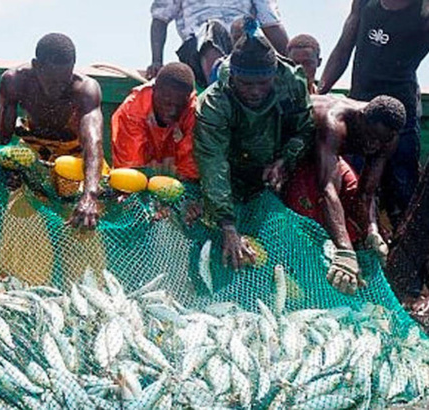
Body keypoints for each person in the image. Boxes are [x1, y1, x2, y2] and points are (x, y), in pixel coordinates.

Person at [194, 20, 315, 274]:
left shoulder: (292, 84)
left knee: (277, 257)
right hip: (230, 175)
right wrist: (227, 225)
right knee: (217, 256)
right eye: (246, 84)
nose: (255, 91)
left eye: (263, 83)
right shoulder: (215, 102)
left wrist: (285, 160)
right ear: (234, 75)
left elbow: (305, 130)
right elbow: (213, 161)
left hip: (273, 175)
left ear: (273, 75)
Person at [318, 0, 429, 229]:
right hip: (361, 114)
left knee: (402, 196)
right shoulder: (364, 2)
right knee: (353, 189)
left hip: (400, 119)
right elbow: (343, 48)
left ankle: (403, 258)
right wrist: (321, 91)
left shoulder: (424, 11)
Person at [284, 95, 405, 294]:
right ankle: (308, 271)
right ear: (361, 119)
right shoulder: (334, 121)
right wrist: (344, 250)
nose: (373, 145)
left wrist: (372, 230)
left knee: (357, 213)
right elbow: (328, 189)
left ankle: (353, 266)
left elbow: (366, 193)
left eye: (380, 141)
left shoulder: (389, 137)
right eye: (371, 137)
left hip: (332, 158)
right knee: (308, 213)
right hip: (303, 155)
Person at [0, 33, 104, 229]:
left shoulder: (86, 89)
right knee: (21, 218)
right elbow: (2, 139)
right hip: (33, 153)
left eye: (64, 81)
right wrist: (6, 170)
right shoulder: (14, 81)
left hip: (74, 156)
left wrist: (89, 195)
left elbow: (93, 143)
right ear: (36, 66)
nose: (59, 89)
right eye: (52, 82)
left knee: (83, 222)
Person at [148, 0, 290, 83]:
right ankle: (218, 88)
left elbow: (271, 24)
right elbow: (160, 20)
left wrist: (293, 64)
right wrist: (156, 61)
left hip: (242, 45)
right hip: (196, 50)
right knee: (212, 29)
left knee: (247, 30)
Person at [112, 62, 198, 181]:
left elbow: (190, 170)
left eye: (179, 106)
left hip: (173, 177)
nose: (173, 111)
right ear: (154, 90)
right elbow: (131, 168)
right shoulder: (133, 110)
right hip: (140, 169)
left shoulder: (193, 111)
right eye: (167, 103)